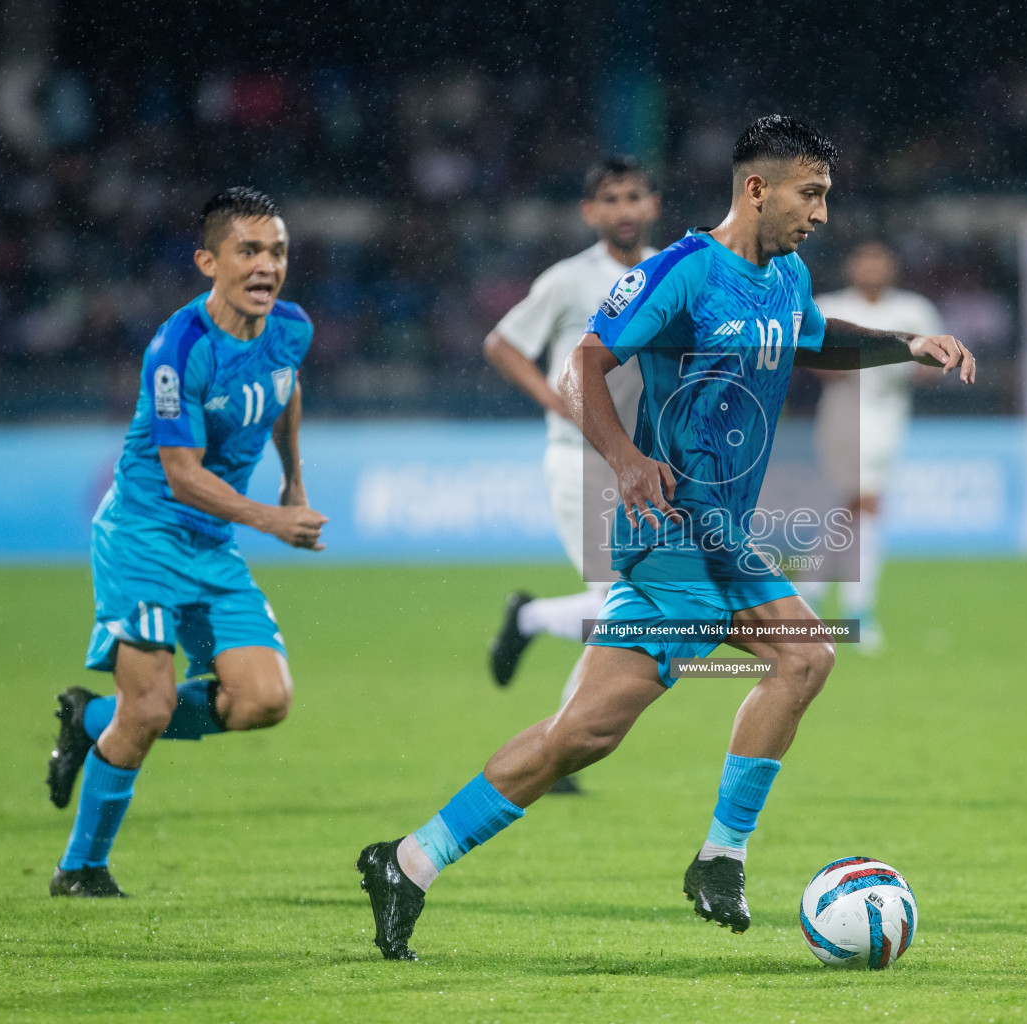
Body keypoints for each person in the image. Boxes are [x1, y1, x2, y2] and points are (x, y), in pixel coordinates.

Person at [355, 115, 974, 961]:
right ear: (757, 188)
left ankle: (720, 858)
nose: (823, 213)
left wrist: (907, 345)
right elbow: (585, 363)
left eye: (827, 195)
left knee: (806, 657)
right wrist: (626, 458)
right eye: (812, 193)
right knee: (582, 737)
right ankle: (409, 860)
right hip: (673, 541)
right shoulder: (678, 273)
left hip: (729, 540)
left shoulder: (787, 277)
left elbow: (817, 340)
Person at [44, 188, 326, 897]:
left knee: (264, 700)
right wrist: (271, 518)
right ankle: (81, 869)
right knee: (151, 710)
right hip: (144, 536)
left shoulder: (291, 328)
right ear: (209, 261)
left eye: (277, 251)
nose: (267, 266)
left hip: (210, 545)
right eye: (249, 251)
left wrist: (294, 481)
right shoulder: (179, 349)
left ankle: (92, 718)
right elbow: (182, 474)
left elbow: (286, 391)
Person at [482, 157, 660, 795]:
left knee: (633, 602)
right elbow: (502, 343)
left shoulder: (671, 272)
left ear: (653, 205)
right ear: (591, 212)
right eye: (610, 198)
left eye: (634, 196)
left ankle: (555, 723)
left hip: (641, 461)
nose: (623, 209)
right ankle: (556, 725)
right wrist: (552, 397)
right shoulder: (568, 280)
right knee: (621, 602)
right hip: (577, 455)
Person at [800, 241, 944, 652]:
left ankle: (811, 596)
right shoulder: (829, 305)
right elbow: (807, 356)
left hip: (887, 419)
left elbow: (933, 367)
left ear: (891, 267)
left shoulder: (913, 310)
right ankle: (856, 610)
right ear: (851, 266)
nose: (871, 268)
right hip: (841, 416)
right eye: (864, 260)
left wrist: (919, 367)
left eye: (879, 261)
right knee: (858, 505)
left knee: (850, 508)